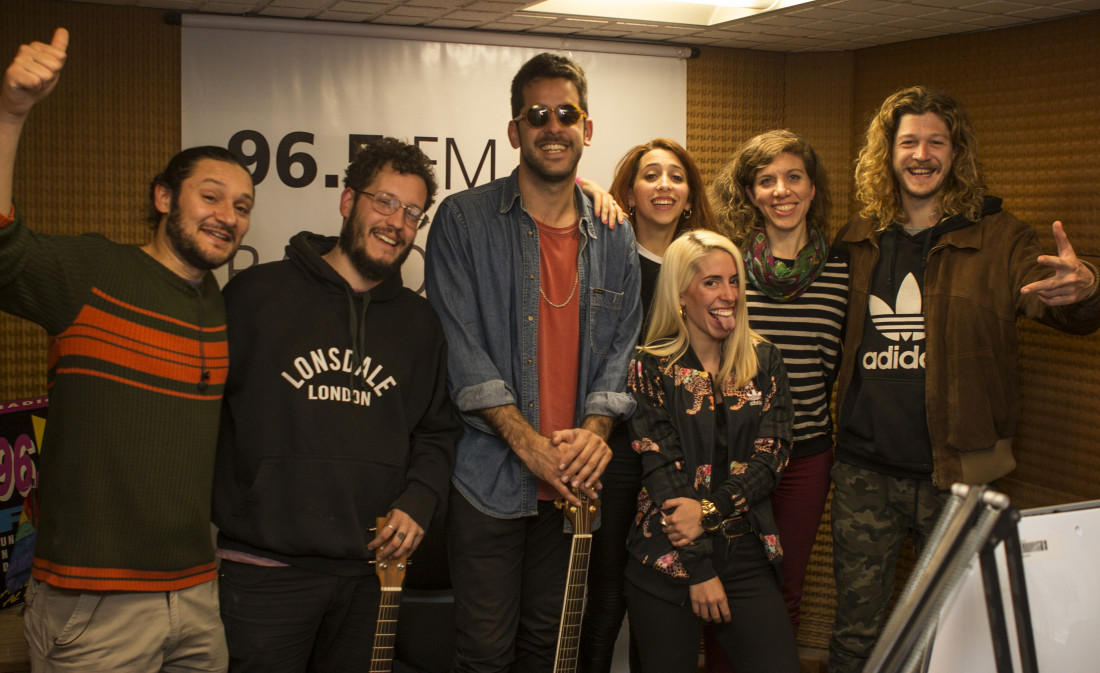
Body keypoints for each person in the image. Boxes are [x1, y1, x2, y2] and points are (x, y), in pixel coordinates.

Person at [1, 29, 255, 672]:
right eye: (211, 195)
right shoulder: (92, 271)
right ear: (163, 197)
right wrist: (11, 112)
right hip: (95, 603)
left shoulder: (225, 310)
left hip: (197, 596)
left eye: (244, 205)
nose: (229, 214)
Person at [828, 85, 1100, 673]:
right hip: (862, 471)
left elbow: (1057, 300)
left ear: (957, 152)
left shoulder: (1002, 237)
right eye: (908, 141)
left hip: (959, 474)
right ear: (888, 152)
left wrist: (1085, 289)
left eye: (936, 141)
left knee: (954, 636)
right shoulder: (857, 237)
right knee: (856, 635)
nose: (921, 154)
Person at [424, 52, 642, 673]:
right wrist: (529, 445)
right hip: (489, 477)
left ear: (587, 128)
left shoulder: (615, 233)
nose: (553, 126)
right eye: (537, 114)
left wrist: (595, 434)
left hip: (574, 482)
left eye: (566, 113)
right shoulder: (463, 222)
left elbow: (621, 348)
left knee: (550, 652)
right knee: (485, 652)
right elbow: (458, 348)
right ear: (516, 130)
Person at [212, 137, 459, 673]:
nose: (397, 222)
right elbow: (201, 414)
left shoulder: (420, 326)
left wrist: (418, 501)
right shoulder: (254, 297)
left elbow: (437, 433)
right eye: (385, 202)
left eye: (412, 212)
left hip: (370, 577)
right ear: (349, 202)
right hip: (262, 572)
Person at [624, 230, 799, 673]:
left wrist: (706, 513)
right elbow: (662, 471)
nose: (728, 295)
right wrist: (699, 571)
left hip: (745, 552)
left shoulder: (765, 360)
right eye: (711, 283)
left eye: (734, 280)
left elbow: (772, 458)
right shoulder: (649, 367)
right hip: (667, 557)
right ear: (680, 294)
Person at [580, 137, 722, 673]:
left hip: (681, 455)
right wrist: (590, 187)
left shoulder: (706, 263)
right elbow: (548, 182)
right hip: (616, 452)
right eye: (651, 175)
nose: (664, 185)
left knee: (663, 598)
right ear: (630, 193)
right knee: (608, 592)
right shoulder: (605, 248)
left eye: (676, 177)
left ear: (690, 197)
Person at [708, 129, 849, 638]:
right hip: (734, 452)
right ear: (750, 193)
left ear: (813, 188)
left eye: (794, 177)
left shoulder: (843, 268)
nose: (781, 190)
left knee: (786, 586)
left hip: (806, 453)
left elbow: (833, 365)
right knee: (726, 585)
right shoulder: (729, 267)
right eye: (766, 180)